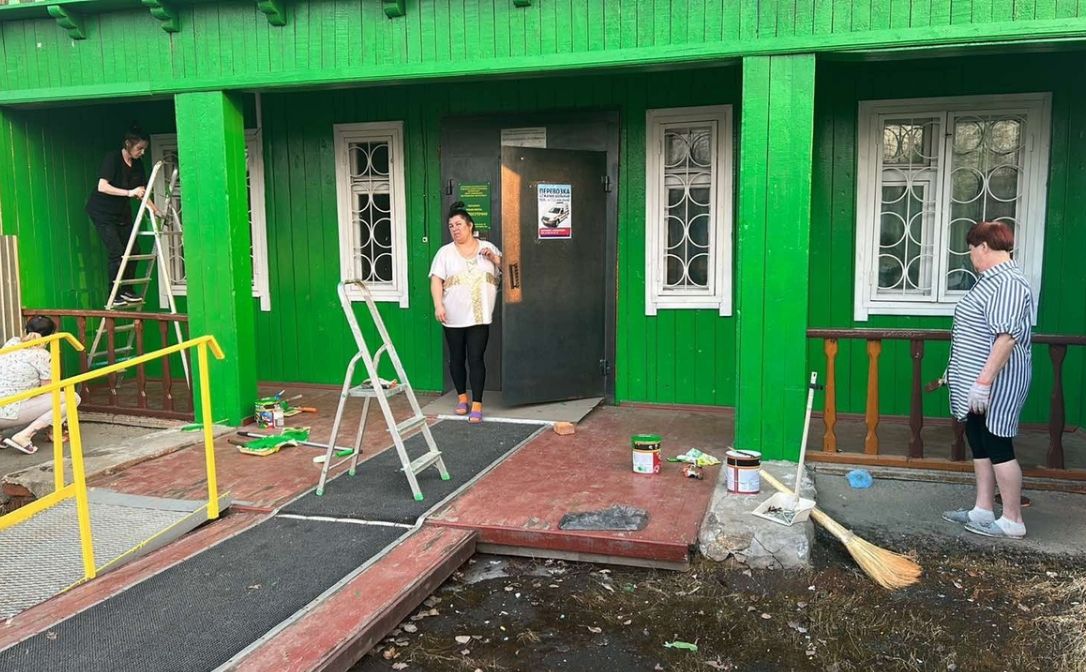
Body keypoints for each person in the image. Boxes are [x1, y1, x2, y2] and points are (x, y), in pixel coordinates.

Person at [941, 221, 1033, 539]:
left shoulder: (1008, 282)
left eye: (971, 250)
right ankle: (982, 509)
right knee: (979, 440)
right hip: (979, 381)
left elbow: (1006, 338)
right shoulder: (989, 281)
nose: (971, 257)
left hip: (997, 382)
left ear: (983, 247)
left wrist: (983, 382)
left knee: (997, 443)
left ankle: (1012, 520)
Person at [429, 201, 502, 424]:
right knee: (456, 358)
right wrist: (438, 305)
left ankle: (477, 404)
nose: (455, 229)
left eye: (459, 224)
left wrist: (495, 259)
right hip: (453, 316)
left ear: (470, 225)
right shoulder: (445, 253)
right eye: (451, 226)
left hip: (479, 316)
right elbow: (436, 280)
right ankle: (462, 398)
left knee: (476, 358)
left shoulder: (487, 248)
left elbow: (509, 271)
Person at [85, 124, 159, 308]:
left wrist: (155, 210)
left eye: (144, 149)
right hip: (102, 212)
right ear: (128, 144)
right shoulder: (113, 158)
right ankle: (114, 294)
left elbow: (141, 192)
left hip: (121, 213)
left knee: (134, 250)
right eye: (139, 148)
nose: (142, 152)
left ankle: (127, 290)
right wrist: (128, 192)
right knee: (117, 252)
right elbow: (103, 186)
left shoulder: (137, 164)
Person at [0, 317, 81, 455]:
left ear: (25, 330)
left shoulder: (12, 343)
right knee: (71, 397)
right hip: (8, 414)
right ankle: (25, 435)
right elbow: (48, 390)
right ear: (50, 336)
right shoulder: (42, 355)